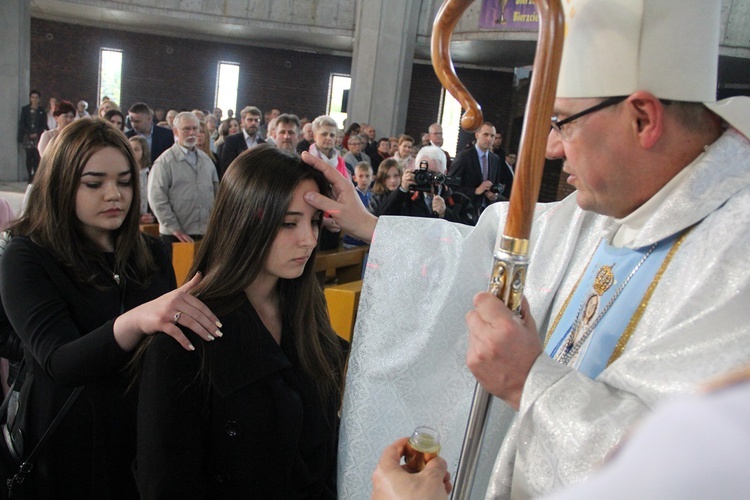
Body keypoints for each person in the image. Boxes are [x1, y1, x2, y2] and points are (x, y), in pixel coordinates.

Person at [299, 0, 750, 497]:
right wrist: (372, 225)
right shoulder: (615, 204)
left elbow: (689, 470)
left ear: (644, 118)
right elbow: (490, 245)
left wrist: (529, 381)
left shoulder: (736, 258)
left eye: (563, 122)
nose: (552, 148)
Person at [0, 118, 220, 498]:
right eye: (94, 183)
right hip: (67, 443)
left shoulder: (150, 252)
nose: (113, 194)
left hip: (138, 438)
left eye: (123, 181)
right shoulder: (28, 254)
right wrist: (137, 320)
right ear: (62, 184)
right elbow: (60, 361)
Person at [135, 145, 345, 498]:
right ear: (244, 220)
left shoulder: (308, 307)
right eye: (288, 223)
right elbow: (166, 482)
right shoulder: (185, 334)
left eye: (313, 222)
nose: (308, 240)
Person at [148, 112, 219, 253]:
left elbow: (217, 193)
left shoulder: (206, 160)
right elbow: (157, 198)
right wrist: (175, 228)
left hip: (203, 231)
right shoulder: (164, 162)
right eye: (186, 129)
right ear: (175, 131)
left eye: (195, 128)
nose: (192, 133)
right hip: (175, 234)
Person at [377, 145, 475, 226]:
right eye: (424, 174)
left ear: (444, 173)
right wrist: (401, 190)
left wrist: (446, 213)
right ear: (415, 171)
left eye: (434, 174)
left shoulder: (460, 201)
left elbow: (469, 231)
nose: (428, 179)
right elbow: (381, 219)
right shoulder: (406, 200)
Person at [449, 122, 513, 218]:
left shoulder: (495, 159)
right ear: (477, 135)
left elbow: (496, 182)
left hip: (486, 211)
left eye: (492, 136)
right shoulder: (464, 157)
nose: (489, 139)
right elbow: (451, 185)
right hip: (465, 210)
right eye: (485, 134)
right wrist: (475, 190)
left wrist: (494, 193)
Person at [220, 105, 265, 173]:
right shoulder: (232, 141)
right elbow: (226, 166)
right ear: (243, 121)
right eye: (250, 120)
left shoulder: (263, 145)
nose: (253, 123)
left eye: (256, 120)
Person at [17, 89, 47, 182]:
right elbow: (22, 123)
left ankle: (36, 176)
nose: (34, 99)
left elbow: (43, 124)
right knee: (29, 156)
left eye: (36, 97)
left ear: (39, 99)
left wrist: (37, 133)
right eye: (33, 97)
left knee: (37, 157)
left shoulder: (42, 110)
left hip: (38, 136)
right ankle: (30, 175)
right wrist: (29, 133)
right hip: (27, 136)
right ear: (30, 98)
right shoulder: (25, 109)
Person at [343, 162, 373, 248]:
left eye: (367, 176)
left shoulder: (372, 196)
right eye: (361, 176)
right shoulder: (351, 195)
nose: (364, 179)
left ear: (372, 178)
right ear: (354, 178)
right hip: (352, 242)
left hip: (367, 241)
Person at [128, 135, 155, 224]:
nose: (132, 153)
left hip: (151, 219)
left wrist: (152, 216)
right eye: (130, 149)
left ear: (144, 151)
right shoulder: (125, 174)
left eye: (136, 149)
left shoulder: (153, 172)